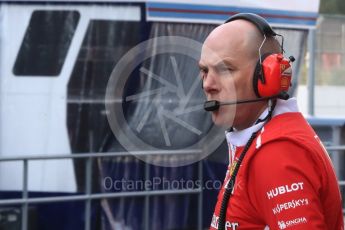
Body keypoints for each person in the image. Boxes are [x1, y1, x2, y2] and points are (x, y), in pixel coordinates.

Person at [199, 13, 344, 230]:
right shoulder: (262, 138)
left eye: (225, 69)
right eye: (204, 70)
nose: (208, 84)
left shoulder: (275, 151)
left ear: (267, 77)